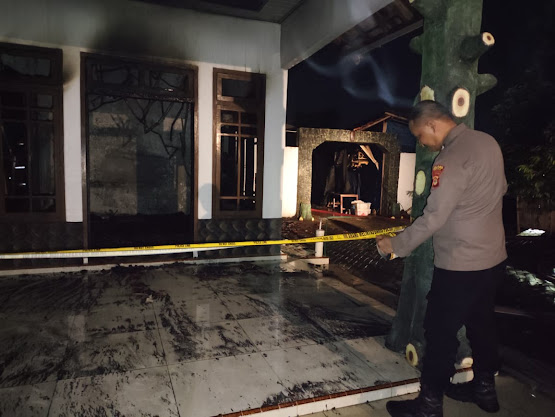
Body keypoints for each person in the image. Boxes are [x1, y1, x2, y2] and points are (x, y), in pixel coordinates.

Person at [376, 100, 507, 417]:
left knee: (440, 334)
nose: (422, 143)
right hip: (493, 258)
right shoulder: (488, 142)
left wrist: (395, 244)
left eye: (420, 136)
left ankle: (429, 405)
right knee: (482, 324)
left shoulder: (450, 158)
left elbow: (433, 217)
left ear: (432, 124)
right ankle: (485, 391)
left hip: (461, 265)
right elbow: (501, 188)